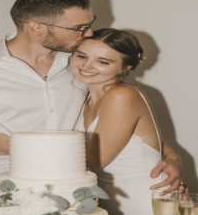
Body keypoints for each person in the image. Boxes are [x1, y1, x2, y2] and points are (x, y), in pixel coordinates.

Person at [0, 0, 182, 215]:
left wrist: (169, 155)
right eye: (78, 28)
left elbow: (122, 122)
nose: (89, 32)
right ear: (36, 28)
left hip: (75, 189)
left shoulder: (77, 65)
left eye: (88, 23)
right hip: (3, 189)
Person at [70, 28, 181, 214]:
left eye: (103, 62)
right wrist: (171, 155)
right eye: (81, 56)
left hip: (148, 198)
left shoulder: (122, 95)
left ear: (124, 67)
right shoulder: (85, 96)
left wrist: (21, 147)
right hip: (113, 199)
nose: (87, 66)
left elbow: (95, 160)